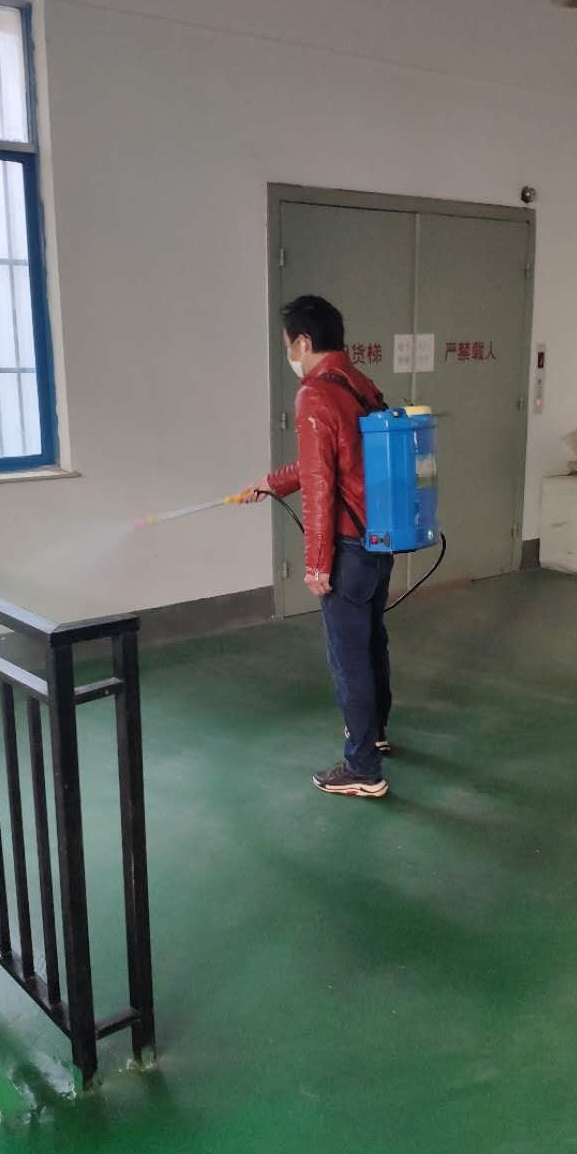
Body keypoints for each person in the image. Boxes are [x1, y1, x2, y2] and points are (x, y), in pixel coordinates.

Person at [241, 295, 394, 798]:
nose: (290, 354)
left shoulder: (315, 394)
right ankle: (376, 735)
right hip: (376, 539)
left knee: (349, 659)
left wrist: (315, 564)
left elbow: (321, 485)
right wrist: (270, 483)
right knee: (371, 643)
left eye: (289, 344)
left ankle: (363, 769)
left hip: (347, 547)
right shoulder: (359, 384)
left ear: (303, 342)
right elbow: (326, 464)